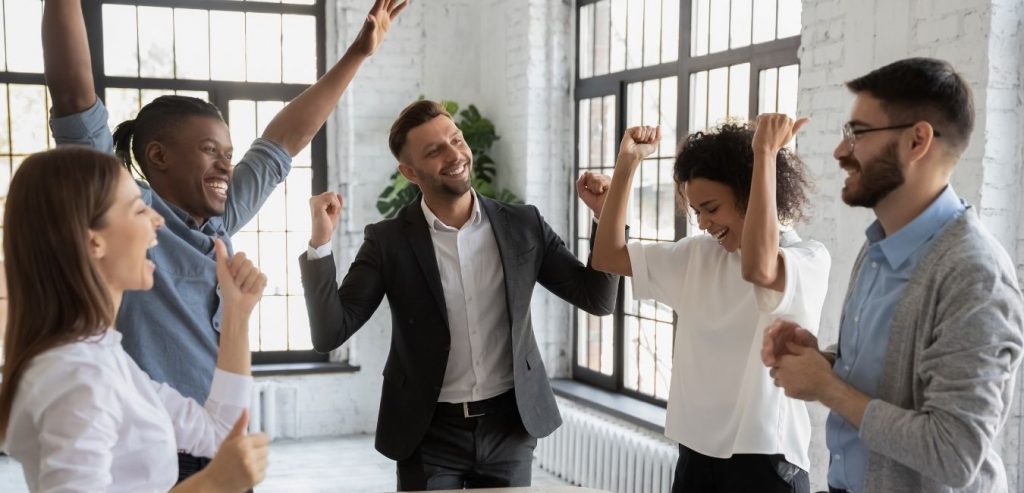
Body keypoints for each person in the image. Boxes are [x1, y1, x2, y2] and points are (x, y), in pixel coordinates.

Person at [41, 0, 407, 478]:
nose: (225, 166)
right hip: (149, 448)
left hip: (220, 444)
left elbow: (283, 141)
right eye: (210, 151)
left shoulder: (220, 218)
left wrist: (358, 54)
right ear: (159, 156)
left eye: (229, 154)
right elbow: (74, 99)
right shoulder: (124, 210)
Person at [300, 100, 619, 490]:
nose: (455, 155)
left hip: (510, 425)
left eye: (456, 140)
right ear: (409, 172)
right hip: (427, 431)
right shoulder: (388, 242)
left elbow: (597, 298)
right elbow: (330, 332)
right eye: (435, 151)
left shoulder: (524, 225)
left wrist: (606, 218)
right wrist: (320, 244)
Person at [763, 57, 1024, 493]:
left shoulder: (975, 275)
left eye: (858, 134)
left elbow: (954, 454)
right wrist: (826, 360)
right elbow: (891, 378)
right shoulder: (878, 245)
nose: (841, 151)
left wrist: (828, 387)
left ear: (917, 140)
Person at [581, 115, 830, 493]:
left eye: (711, 208)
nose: (702, 223)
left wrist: (764, 152)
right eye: (696, 210)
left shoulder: (806, 259)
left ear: (748, 192)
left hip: (765, 460)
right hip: (696, 455)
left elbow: (759, 268)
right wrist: (628, 163)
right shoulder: (699, 255)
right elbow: (608, 257)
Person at [0, 147, 269, 492]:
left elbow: (218, 432)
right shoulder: (77, 374)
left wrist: (237, 312)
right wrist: (211, 485)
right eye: (139, 208)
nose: (158, 220)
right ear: (94, 241)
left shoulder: (104, 357)